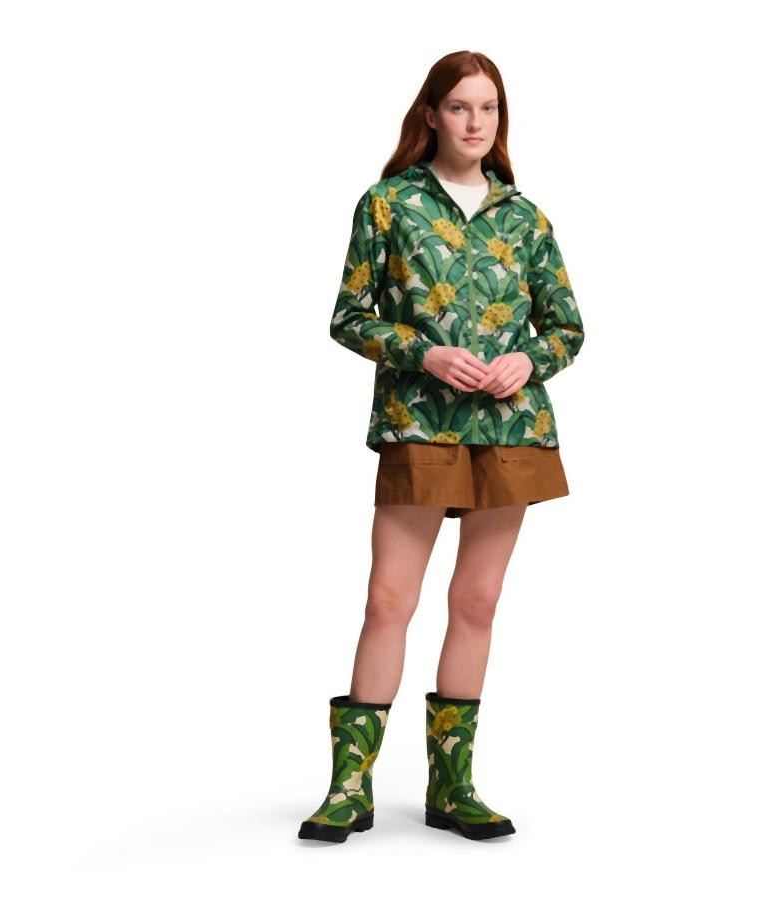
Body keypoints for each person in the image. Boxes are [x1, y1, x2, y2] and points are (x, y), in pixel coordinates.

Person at [298, 50, 585, 843]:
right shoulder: (389, 204)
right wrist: (422, 353)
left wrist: (531, 359)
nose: (474, 122)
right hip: (419, 420)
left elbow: (567, 327)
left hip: (511, 428)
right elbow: (349, 317)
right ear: (431, 114)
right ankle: (348, 789)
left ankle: (452, 788)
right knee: (389, 600)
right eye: (460, 107)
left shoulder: (525, 218)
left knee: (477, 602)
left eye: (488, 108)